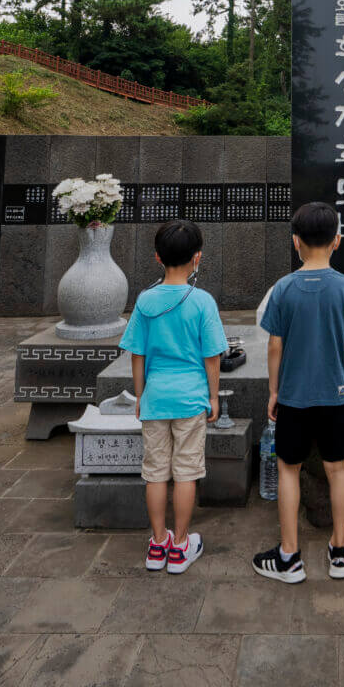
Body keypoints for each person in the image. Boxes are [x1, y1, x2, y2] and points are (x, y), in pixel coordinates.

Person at [253, 201, 344, 584]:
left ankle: (289, 556)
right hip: (336, 395)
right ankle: (339, 551)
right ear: (337, 240)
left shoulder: (283, 290)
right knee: (339, 470)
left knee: (289, 469)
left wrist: (273, 391)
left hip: (293, 396)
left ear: (295, 242)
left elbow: (274, 346)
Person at [119, 220, 227, 574]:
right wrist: (213, 397)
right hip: (191, 398)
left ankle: (157, 543)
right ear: (198, 259)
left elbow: (138, 354)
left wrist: (140, 395)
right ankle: (180, 546)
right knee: (185, 473)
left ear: (157, 257)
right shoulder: (202, 302)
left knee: (154, 473)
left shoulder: (146, 301)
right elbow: (212, 357)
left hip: (155, 399)